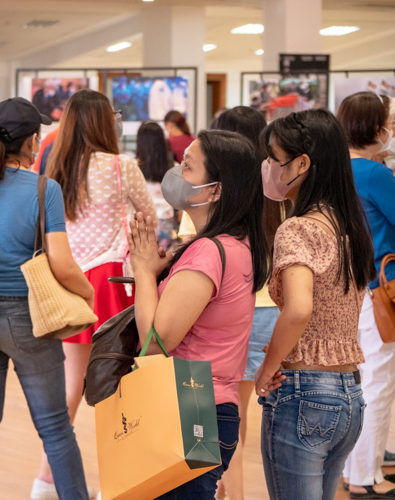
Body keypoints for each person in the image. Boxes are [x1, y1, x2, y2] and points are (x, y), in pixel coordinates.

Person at [0, 97, 93, 500]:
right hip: (27, 318)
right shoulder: (42, 188)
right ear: (33, 141)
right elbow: (62, 263)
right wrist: (86, 292)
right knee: (54, 427)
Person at [129, 129, 269, 499]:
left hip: (190, 404)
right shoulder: (238, 243)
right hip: (211, 404)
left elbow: (154, 342)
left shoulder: (209, 252)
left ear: (215, 189)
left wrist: (143, 272)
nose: (177, 172)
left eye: (187, 166)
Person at [34, 90, 157, 500]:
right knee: (115, 384)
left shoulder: (55, 168)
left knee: (72, 384)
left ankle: (45, 480)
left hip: (69, 282)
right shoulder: (122, 166)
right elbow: (148, 215)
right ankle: (116, 482)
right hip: (109, 284)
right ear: (105, 122)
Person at [255, 109, 375, 500]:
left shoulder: (298, 227)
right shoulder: (348, 224)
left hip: (302, 390)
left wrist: (268, 366)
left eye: (274, 158)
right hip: (349, 393)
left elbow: (299, 308)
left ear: (301, 163)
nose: (269, 167)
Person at [337, 92, 395, 499]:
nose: (391, 130)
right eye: (388, 123)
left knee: (362, 380)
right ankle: (365, 477)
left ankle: (360, 463)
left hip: (353, 285)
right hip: (383, 289)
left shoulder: (339, 170)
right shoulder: (374, 173)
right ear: (374, 128)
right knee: (379, 382)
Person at [209, 106, 278, 500]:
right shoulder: (276, 191)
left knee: (215, 412)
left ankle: (227, 493)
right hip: (267, 307)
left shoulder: (215, 190)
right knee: (239, 411)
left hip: (221, 308)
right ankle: (227, 491)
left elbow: (193, 247)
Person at [135, 121, 176, 249]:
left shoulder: (133, 167)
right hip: (166, 218)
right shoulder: (173, 167)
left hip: (142, 220)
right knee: (163, 259)